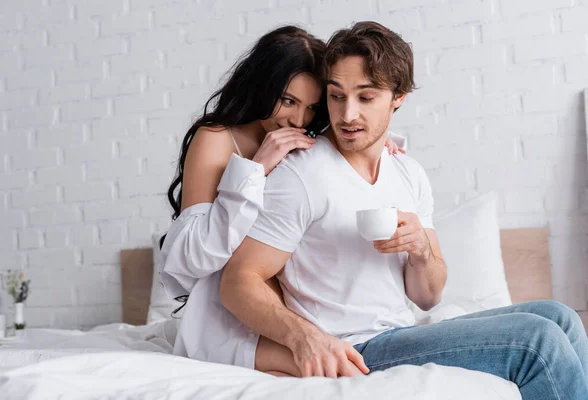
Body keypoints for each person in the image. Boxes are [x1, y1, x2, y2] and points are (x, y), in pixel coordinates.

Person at [219, 21, 588, 398]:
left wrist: (420, 251)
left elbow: (428, 297)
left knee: (560, 317)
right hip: (356, 347)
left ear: (399, 97)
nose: (347, 115)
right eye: (336, 96)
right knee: (536, 341)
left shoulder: (408, 173)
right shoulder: (301, 174)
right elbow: (238, 281)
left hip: (404, 331)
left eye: (365, 98)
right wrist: (305, 338)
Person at [159, 25, 405, 375]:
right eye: (288, 100)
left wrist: (381, 143)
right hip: (225, 312)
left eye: (312, 107)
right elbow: (190, 261)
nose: (298, 118)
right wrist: (254, 170)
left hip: (290, 309)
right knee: (344, 371)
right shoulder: (216, 139)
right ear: (261, 85)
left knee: (345, 361)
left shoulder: (304, 138)